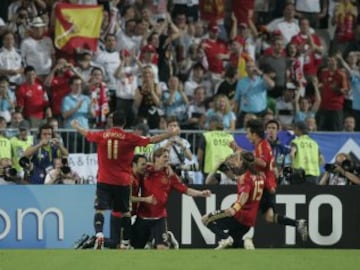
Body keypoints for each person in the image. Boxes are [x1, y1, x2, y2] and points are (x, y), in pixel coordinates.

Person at [70, 110, 181, 250]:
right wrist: (170, 134)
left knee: (99, 210)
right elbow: (152, 140)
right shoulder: (129, 137)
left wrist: (76, 126)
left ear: (111, 121)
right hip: (122, 181)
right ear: (124, 123)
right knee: (125, 213)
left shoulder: (102, 135)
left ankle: (99, 235)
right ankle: (126, 242)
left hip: (104, 179)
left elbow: (87, 133)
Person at [238, 119, 308, 248]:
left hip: (263, 185)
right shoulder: (261, 145)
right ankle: (298, 223)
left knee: (245, 210)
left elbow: (263, 163)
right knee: (269, 217)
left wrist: (246, 155)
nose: (246, 136)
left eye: (248, 133)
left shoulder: (262, 145)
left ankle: (243, 240)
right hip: (267, 185)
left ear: (254, 133)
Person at [132, 147, 211, 249]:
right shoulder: (146, 170)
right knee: (136, 248)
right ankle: (153, 241)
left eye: (168, 157)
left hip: (159, 218)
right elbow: (134, 166)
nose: (167, 159)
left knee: (162, 248)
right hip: (142, 216)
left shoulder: (170, 176)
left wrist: (201, 193)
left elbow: (185, 190)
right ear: (156, 158)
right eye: (164, 157)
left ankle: (164, 238)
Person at [202, 151, 265, 249]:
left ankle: (226, 238)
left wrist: (235, 208)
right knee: (234, 245)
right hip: (249, 220)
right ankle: (244, 242)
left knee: (205, 219)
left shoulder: (245, 177)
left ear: (242, 162)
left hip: (239, 215)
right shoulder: (259, 176)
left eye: (237, 159)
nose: (234, 162)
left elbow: (245, 195)